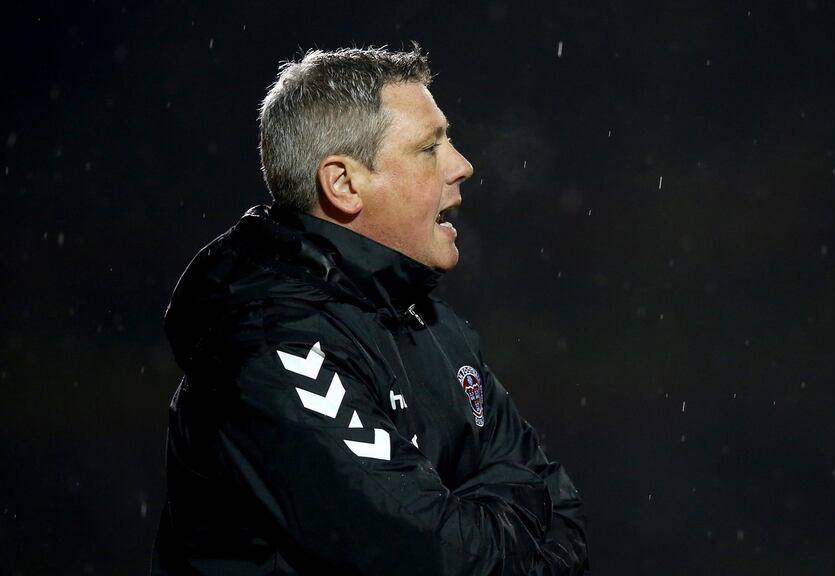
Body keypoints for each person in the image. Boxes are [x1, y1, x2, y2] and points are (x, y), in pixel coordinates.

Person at [151, 45, 588, 575]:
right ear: (344, 184)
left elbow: (559, 508)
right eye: (430, 148)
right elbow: (435, 558)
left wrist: (486, 527)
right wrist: (507, 530)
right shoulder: (275, 349)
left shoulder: (433, 325)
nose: (463, 166)